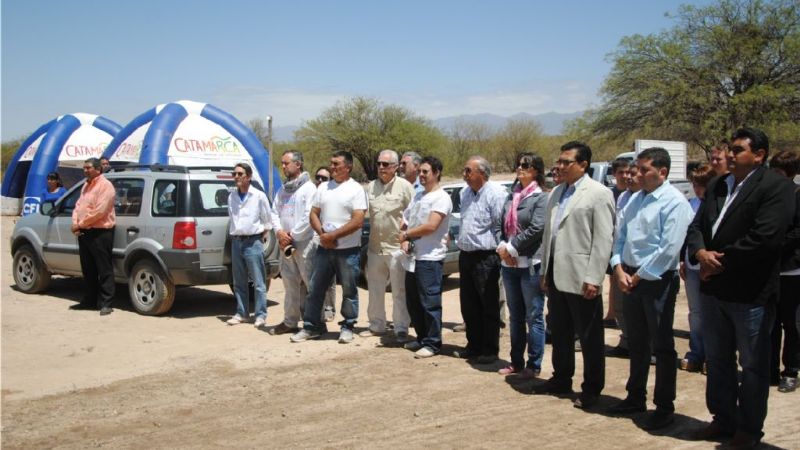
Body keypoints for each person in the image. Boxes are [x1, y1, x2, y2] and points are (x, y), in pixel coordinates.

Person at [686, 128, 795, 447]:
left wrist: (716, 264)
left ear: (759, 155)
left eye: (737, 150)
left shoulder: (775, 187)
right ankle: (722, 419)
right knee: (717, 360)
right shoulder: (720, 184)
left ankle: (748, 430)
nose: (730, 155)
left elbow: (766, 238)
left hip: (750, 293)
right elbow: (697, 227)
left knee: (752, 365)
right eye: (729, 150)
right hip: (713, 290)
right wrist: (699, 253)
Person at [607, 148, 694, 430]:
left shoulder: (674, 202)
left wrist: (639, 276)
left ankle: (664, 406)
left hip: (656, 282)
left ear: (663, 172)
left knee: (662, 346)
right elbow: (620, 238)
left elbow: (669, 249)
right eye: (637, 169)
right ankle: (635, 396)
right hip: (629, 277)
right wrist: (619, 268)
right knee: (637, 342)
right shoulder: (634, 200)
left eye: (644, 170)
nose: (638, 175)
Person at [536, 141, 614, 411]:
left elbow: (603, 240)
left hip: (583, 278)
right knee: (560, 331)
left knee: (590, 337)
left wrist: (594, 277)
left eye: (566, 162)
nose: (560, 166)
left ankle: (592, 388)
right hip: (557, 275)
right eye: (559, 161)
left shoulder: (599, 193)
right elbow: (550, 236)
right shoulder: (557, 192)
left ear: (583, 164)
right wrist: (545, 270)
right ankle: (561, 378)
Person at [291, 151, 367, 344]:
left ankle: (348, 326)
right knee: (315, 288)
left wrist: (334, 236)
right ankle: (311, 326)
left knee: (349, 290)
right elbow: (314, 214)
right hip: (324, 249)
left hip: (348, 250)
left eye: (336, 164)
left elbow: (358, 220)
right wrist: (323, 235)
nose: (332, 167)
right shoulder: (323, 187)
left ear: (348, 167)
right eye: (331, 163)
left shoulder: (356, 189)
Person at [495, 152, 547, 378]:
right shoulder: (511, 196)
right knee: (515, 315)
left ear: (536, 169)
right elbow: (500, 226)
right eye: (518, 164)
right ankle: (516, 362)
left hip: (530, 264)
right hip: (509, 265)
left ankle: (533, 365)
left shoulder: (541, 197)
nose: (520, 168)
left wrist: (512, 248)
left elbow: (537, 228)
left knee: (533, 316)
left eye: (526, 165)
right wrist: (503, 249)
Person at [453, 156, 508, 364]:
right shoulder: (465, 192)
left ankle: (489, 349)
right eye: (465, 170)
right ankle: (473, 345)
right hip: (466, 255)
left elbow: (500, 226)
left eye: (469, 171)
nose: (464, 174)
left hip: (486, 256)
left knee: (488, 304)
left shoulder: (496, 193)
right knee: (469, 305)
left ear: (482, 173)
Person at [399, 156, 452, 358]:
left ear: (436, 173)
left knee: (429, 301)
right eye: (419, 171)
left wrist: (407, 235)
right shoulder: (418, 196)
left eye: (425, 172)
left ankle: (433, 342)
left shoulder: (441, 198)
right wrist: (403, 238)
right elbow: (405, 220)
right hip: (412, 258)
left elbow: (431, 226)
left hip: (430, 258)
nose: (421, 175)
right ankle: (422, 337)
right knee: (413, 301)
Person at [362, 149, 415, 341]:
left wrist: (408, 239)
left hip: (396, 249)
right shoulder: (370, 187)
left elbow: (414, 215)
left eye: (385, 164)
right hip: (375, 248)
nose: (381, 168)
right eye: (379, 164)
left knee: (399, 290)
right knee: (375, 289)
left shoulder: (405, 187)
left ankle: (401, 327)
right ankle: (377, 325)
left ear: (395, 167)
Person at [269, 151, 319, 335]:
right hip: (286, 245)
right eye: (281, 163)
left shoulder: (309, 189)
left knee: (311, 284)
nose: (283, 166)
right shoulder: (283, 190)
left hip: (305, 244)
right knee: (290, 284)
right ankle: (290, 321)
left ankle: (314, 322)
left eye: (286, 163)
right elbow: (274, 212)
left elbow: (309, 216)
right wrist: (280, 233)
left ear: (298, 165)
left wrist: (292, 235)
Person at [226, 162, 274, 328]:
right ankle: (242, 313)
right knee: (238, 281)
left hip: (253, 241)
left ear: (249, 176)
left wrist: (261, 234)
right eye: (235, 174)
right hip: (236, 241)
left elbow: (268, 218)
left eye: (240, 174)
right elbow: (232, 218)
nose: (236, 177)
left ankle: (260, 314)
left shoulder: (258, 196)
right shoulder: (231, 196)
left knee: (258, 281)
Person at [678, 164, 716, 373]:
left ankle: (712, 355)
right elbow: (687, 233)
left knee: (712, 313)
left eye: (701, 185)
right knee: (696, 313)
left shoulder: (716, 205)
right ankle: (696, 352)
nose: (697, 189)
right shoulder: (691, 204)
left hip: (709, 267)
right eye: (695, 184)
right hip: (691, 266)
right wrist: (683, 259)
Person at [769, 150, 800, 393]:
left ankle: (790, 370)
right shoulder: (770, 196)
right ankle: (768, 369)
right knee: (770, 324)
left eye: (778, 172)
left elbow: (796, 232)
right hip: (769, 271)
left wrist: (774, 247)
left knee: (792, 324)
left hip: (792, 270)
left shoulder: (797, 196)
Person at [69, 158, 116, 315]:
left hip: (100, 232)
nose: (85, 170)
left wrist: (80, 224)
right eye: (84, 168)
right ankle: (89, 300)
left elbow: (100, 211)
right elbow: (78, 206)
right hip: (85, 231)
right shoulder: (85, 185)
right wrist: (75, 222)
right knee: (88, 269)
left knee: (104, 269)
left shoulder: (106, 186)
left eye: (88, 168)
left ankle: (106, 303)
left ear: (98, 169)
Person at [606, 164, 643, 358]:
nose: (628, 177)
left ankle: (646, 347)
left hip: (640, 264)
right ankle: (627, 341)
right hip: (620, 260)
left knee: (642, 313)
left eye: (632, 173)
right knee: (621, 306)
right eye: (625, 173)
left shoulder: (646, 198)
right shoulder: (623, 197)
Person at [312, 165, 336, 321]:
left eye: (324, 178)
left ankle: (330, 307)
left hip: (328, 239)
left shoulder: (331, 194)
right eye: (318, 177)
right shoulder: (312, 194)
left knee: (330, 279)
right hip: (311, 240)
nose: (320, 180)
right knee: (314, 278)